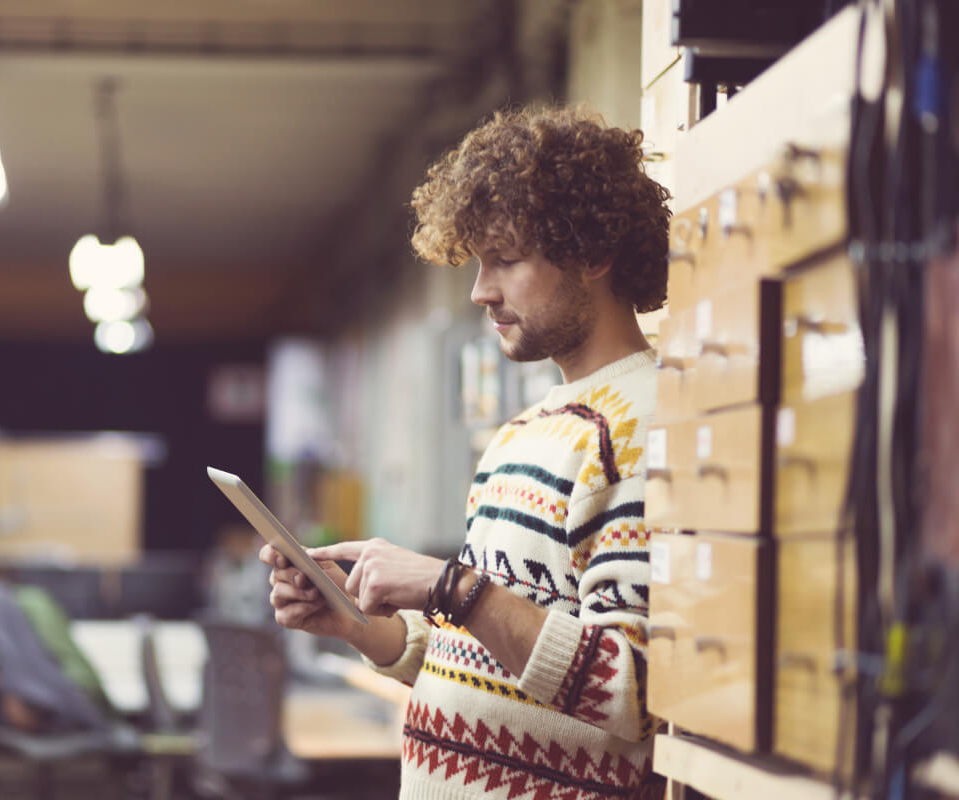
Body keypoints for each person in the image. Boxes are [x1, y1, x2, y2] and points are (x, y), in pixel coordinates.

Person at [262, 104, 670, 799]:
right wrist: (364, 627)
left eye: (506, 261)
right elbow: (480, 662)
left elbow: (632, 689)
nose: (481, 291)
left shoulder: (643, 422)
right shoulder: (521, 435)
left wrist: (452, 587)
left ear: (594, 255)